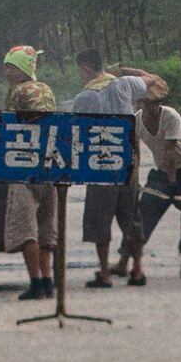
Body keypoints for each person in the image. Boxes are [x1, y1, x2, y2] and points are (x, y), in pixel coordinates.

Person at [67, 48, 166, 288]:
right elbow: (153, 78)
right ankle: (138, 270)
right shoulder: (126, 85)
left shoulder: (84, 98)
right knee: (131, 217)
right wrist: (125, 71)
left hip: (99, 164)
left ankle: (104, 272)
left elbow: (76, 134)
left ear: (86, 68)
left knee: (99, 219)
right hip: (127, 162)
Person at [0, 45, 59, 301]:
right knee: (46, 226)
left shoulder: (17, 91)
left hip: (24, 165)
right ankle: (48, 280)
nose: (6, 72)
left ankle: (35, 281)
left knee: (26, 228)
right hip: (50, 164)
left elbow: (8, 128)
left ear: (21, 68)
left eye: (10, 67)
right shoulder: (46, 89)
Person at [134, 86, 181, 280]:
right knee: (144, 212)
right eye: (149, 103)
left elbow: (171, 151)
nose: (154, 107)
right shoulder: (137, 120)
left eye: (157, 103)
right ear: (141, 103)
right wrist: (135, 174)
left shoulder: (171, 116)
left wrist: (172, 180)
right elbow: (135, 149)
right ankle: (127, 259)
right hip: (161, 172)